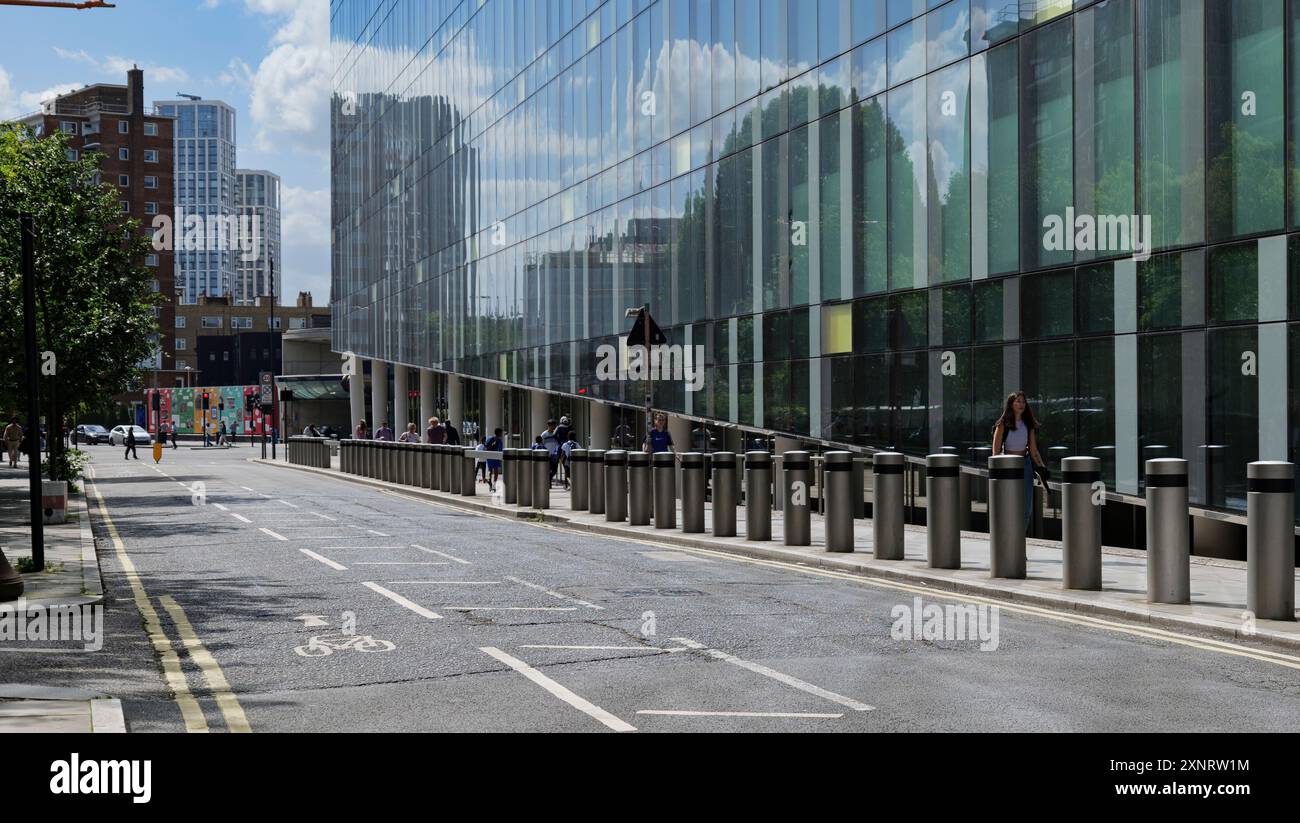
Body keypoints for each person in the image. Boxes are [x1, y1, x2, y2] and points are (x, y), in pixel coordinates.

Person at [991, 391, 1048, 531]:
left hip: (1025, 465)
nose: (1021, 404)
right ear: (1011, 404)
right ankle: (1006, 535)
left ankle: (1019, 537)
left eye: (1023, 401)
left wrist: (1042, 467)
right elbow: (995, 452)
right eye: (1017, 401)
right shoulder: (1003, 424)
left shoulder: (1028, 425)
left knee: (1026, 507)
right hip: (1008, 466)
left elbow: (1034, 451)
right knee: (1008, 505)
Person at [539, 420, 561, 485]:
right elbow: (541, 444)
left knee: (554, 470)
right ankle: (549, 483)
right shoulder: (544, 434)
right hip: (547, 455)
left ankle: (549, 479)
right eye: (552, 426)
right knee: (547, 469)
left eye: (554, 426)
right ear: (549, 426)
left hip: (555, 455)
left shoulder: (556, 434)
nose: (554, 427)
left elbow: (558, 443)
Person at [483, 427, 503, 492]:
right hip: (494, 456)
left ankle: (492, 483)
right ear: (499, 433)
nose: (501, 434)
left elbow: (485, 446)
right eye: (501, 433)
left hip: (491, 456)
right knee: (494, 471)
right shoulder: (497, 440)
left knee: (492, 470)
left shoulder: (491, 438)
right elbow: (500, 449)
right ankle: (493, 484)